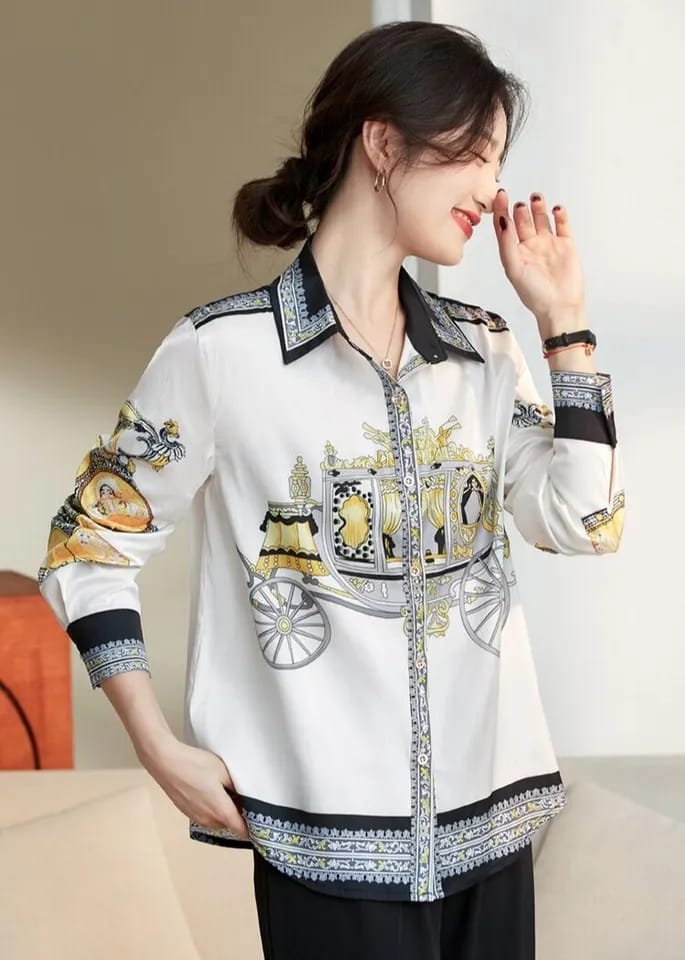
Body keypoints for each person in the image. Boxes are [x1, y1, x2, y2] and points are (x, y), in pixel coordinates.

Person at [38, 19, 625, 960]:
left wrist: (564, 324)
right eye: (475, 154)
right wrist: (157, 745)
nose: (492, 188)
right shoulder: (222, 353)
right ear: (383, 144)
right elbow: (87, 545)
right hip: (324, 852)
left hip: (492, 835)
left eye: (499, 161)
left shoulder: (482, 351)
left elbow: (583, 522)